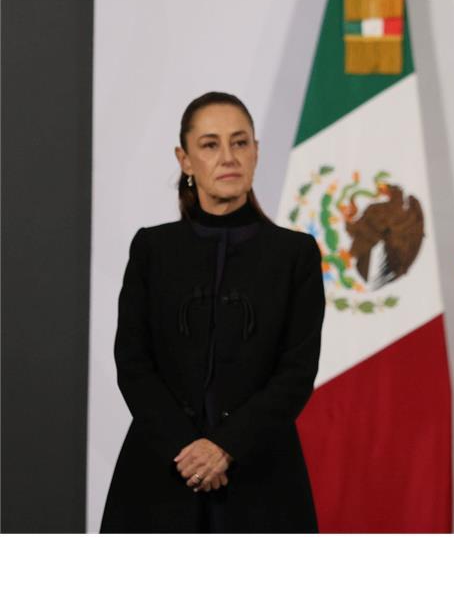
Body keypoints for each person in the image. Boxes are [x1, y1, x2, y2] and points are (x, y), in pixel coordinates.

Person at [101, 92, 324, 532]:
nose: (228, 157)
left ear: (256, 151)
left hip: (263, 476)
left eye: (240, 143)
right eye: (210, 144)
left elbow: (296, 372)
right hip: (159, 472)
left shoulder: (294, 254)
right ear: (184, 159)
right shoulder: (152, 249)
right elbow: (133, 362)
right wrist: (187, 449)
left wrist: (225, 447)